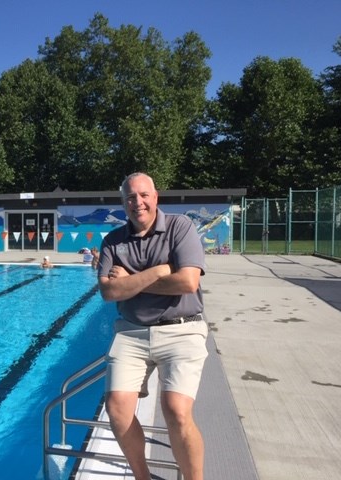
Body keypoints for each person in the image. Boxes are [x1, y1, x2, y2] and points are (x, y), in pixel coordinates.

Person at [97, 172, 208, 480]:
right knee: (117, 408)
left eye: (144, 195)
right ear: (123, 203)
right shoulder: (113, 241)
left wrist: (131, 281)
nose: (138, 202)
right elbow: (108, 292)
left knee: (176, 410)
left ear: (156, 197)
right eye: (131, 197)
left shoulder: (179, 227)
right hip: (132, 332)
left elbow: (187, 281)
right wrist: (160, 271)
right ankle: (142, 477)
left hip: (182, 329)